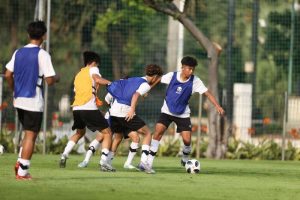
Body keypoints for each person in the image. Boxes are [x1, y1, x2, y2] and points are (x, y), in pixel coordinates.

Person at [146, 56, 225, 172]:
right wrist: (148, 89)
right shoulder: (172, 76)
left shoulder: (195, 81)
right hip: (167, 111)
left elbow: (207, 93)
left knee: (187, 140)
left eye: (193, 69)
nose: (191, 71)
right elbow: (158, 79)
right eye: (189, 69)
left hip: (182, 114)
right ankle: (148, 163)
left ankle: (185, 155)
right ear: (182, 68)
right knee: (158, 132)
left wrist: (217, 106)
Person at [5, 21, 59, 180]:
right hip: (33, 98)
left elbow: (8, 74)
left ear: (28, 35)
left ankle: (19, 163)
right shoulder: (42, 54)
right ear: (44, 36)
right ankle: (22, 172)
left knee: (26, 133)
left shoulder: (18, 52)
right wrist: (57, 78)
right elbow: (49, 80)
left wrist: (14, 88)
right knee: (31, 135)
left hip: (19, 98)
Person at [59, 51, 115, 172]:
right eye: (98, 65)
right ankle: (103, 163)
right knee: (108, 133)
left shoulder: (79, 74)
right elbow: (97, 79)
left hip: (76, 109)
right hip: (88, 108)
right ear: (94, 62)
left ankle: (64, 154)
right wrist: (110, 83)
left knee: (80, 133)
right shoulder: (93, 69)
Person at [106, 64, 163, 173]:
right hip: (125, 111)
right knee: (147, 133)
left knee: (118, 136)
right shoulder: (145, 85)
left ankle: (107, 162)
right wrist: (132, 109)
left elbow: (129, 90)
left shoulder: (134, 79)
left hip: (114, 111)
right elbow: (136, 95)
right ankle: (143, 162)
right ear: (155, 76)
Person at [77, 92, 139, 170]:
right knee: (102, 136)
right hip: (113, 115)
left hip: (122, 116)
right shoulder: (127, 90)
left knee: (118, 137)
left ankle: (106, 162)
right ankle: (86, 160)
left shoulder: (115, 88)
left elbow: (107, 101)